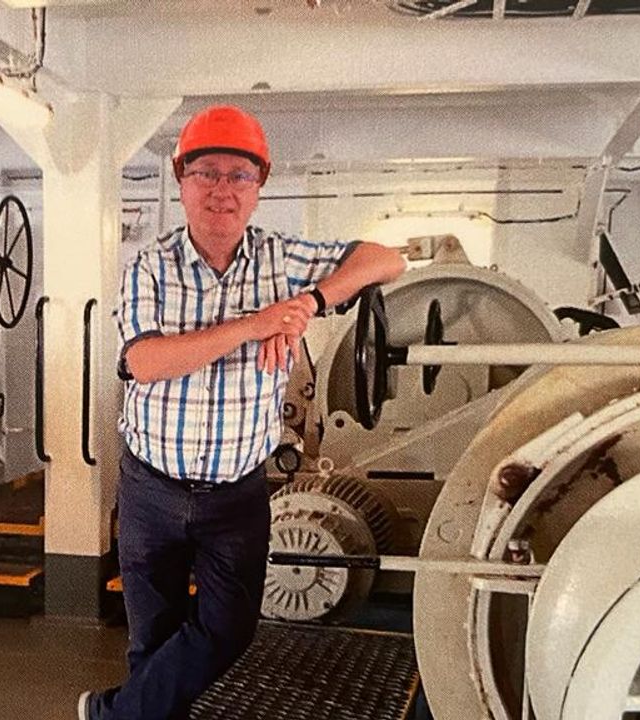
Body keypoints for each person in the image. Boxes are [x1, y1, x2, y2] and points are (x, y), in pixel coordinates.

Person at [79, 105, 406, 720]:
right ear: (181, 181)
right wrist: (255, 325)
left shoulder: (283, 261)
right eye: (207, 172)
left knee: (227, 632)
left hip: (236, 495)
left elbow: (387, 258)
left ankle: (110, 715)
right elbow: (145, 362)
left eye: (239, 175)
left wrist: (311, 300)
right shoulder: (150, 267)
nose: (222, 190)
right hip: (152, 486)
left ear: (259, 187)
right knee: (154, 640)